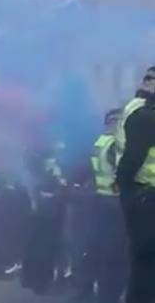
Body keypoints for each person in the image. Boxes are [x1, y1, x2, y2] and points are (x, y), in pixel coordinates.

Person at [70, 108, 126, 303]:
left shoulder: (99, 143)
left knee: (95, 250)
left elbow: (87, 172)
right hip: (116, 205)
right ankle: (109, 294)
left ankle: (88, 290)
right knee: (116, 254)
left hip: (99, 202)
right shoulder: (115, 146)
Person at [116, 68, 155, 303]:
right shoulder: (144, 115)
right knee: (145, 261)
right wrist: (126, 187)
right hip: (145, 195)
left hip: (141, 195)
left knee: (145, 262)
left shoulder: (137, 109)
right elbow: (132, 158)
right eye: (150, 79)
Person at [22, 141, 68, 296]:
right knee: (43, 245)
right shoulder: (37, 160)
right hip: (45, 208)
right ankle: (39, 282)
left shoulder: (36, 157)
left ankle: (38, 280)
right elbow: (35, 183)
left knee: (43, 244)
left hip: (48, 206)